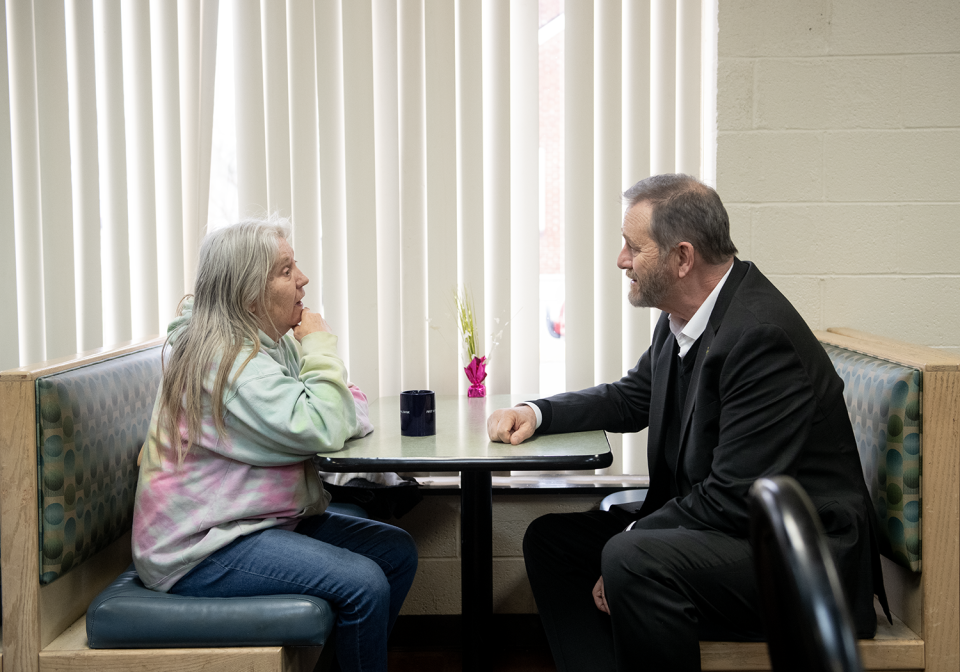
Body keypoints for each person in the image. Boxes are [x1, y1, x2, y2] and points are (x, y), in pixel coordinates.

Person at [486, 174, 888, 672]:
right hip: (733, 530)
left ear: (682, 257)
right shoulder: (683, 316)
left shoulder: (760, 338)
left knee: (630, 560)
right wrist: (536, 413)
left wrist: (630, 536)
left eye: (634, 247)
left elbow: (731, 497)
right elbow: (632, 397)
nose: (621, 260)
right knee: (553, 543)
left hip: (803, 564)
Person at [133, 218, 417, 672]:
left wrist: (333, 404)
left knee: (395, 553)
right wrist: (322, 349)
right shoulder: (223, 358)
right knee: (364, 583)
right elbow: (327, 421)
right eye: (286, 271)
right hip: (201, 547)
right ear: (248, 292)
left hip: (251, 522)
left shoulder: (268, 343)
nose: (303, 279)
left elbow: (345, 410)